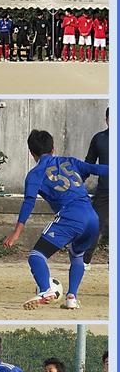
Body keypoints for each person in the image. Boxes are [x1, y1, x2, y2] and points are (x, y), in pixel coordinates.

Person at [2, 129, 108, 310]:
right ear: (53, 148)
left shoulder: (35, 174)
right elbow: (97, 169)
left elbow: (28, 203)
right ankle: (71, 297)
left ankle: (45, 289)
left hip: (71, 216)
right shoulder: (70, 162)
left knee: (36, 256)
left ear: (32, 153)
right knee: (77, 255)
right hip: (92, 218)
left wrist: (17, 232)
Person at [83, 108, 109, 269]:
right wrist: (79, 181)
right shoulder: (99, 138)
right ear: (106, 119)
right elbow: (88, 163)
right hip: (105, 190)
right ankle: (85, 260)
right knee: (95, 224)